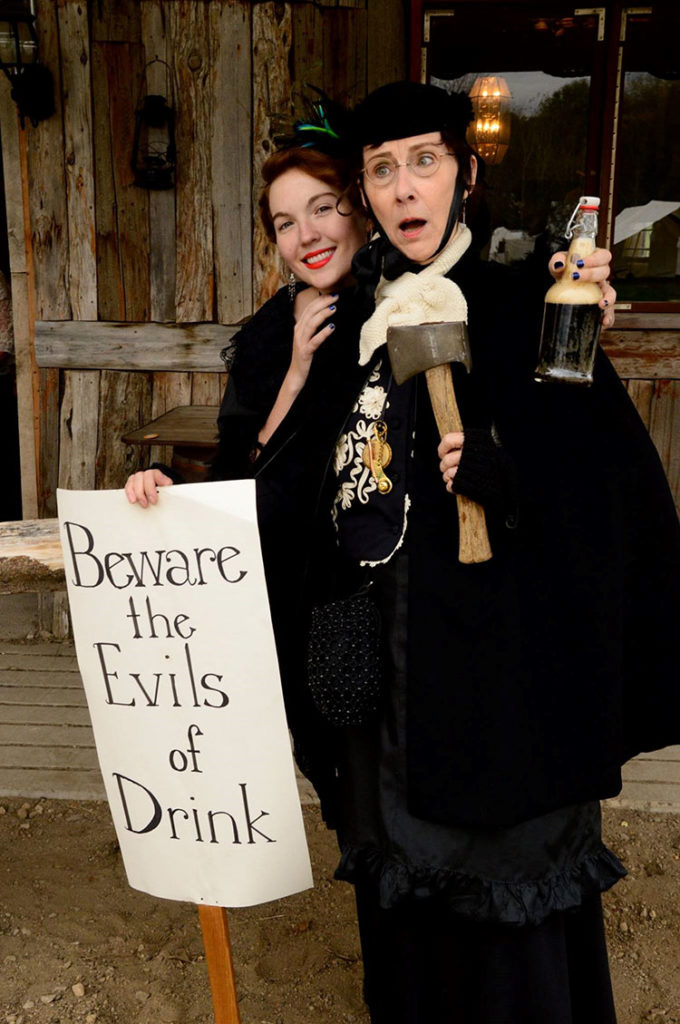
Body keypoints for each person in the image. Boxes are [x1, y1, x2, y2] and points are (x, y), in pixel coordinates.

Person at [210, 82, 677, 1024]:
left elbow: (607, 487)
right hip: (384, 691)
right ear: (368, 192)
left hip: (502, 693)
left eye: (424, 161)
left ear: (462, 174)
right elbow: (270, 474)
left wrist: (514, 478)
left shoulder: (531, 307)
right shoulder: (338, 323)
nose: (404, 188)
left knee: (508, 938)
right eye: (383, 169)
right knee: (408, 927)